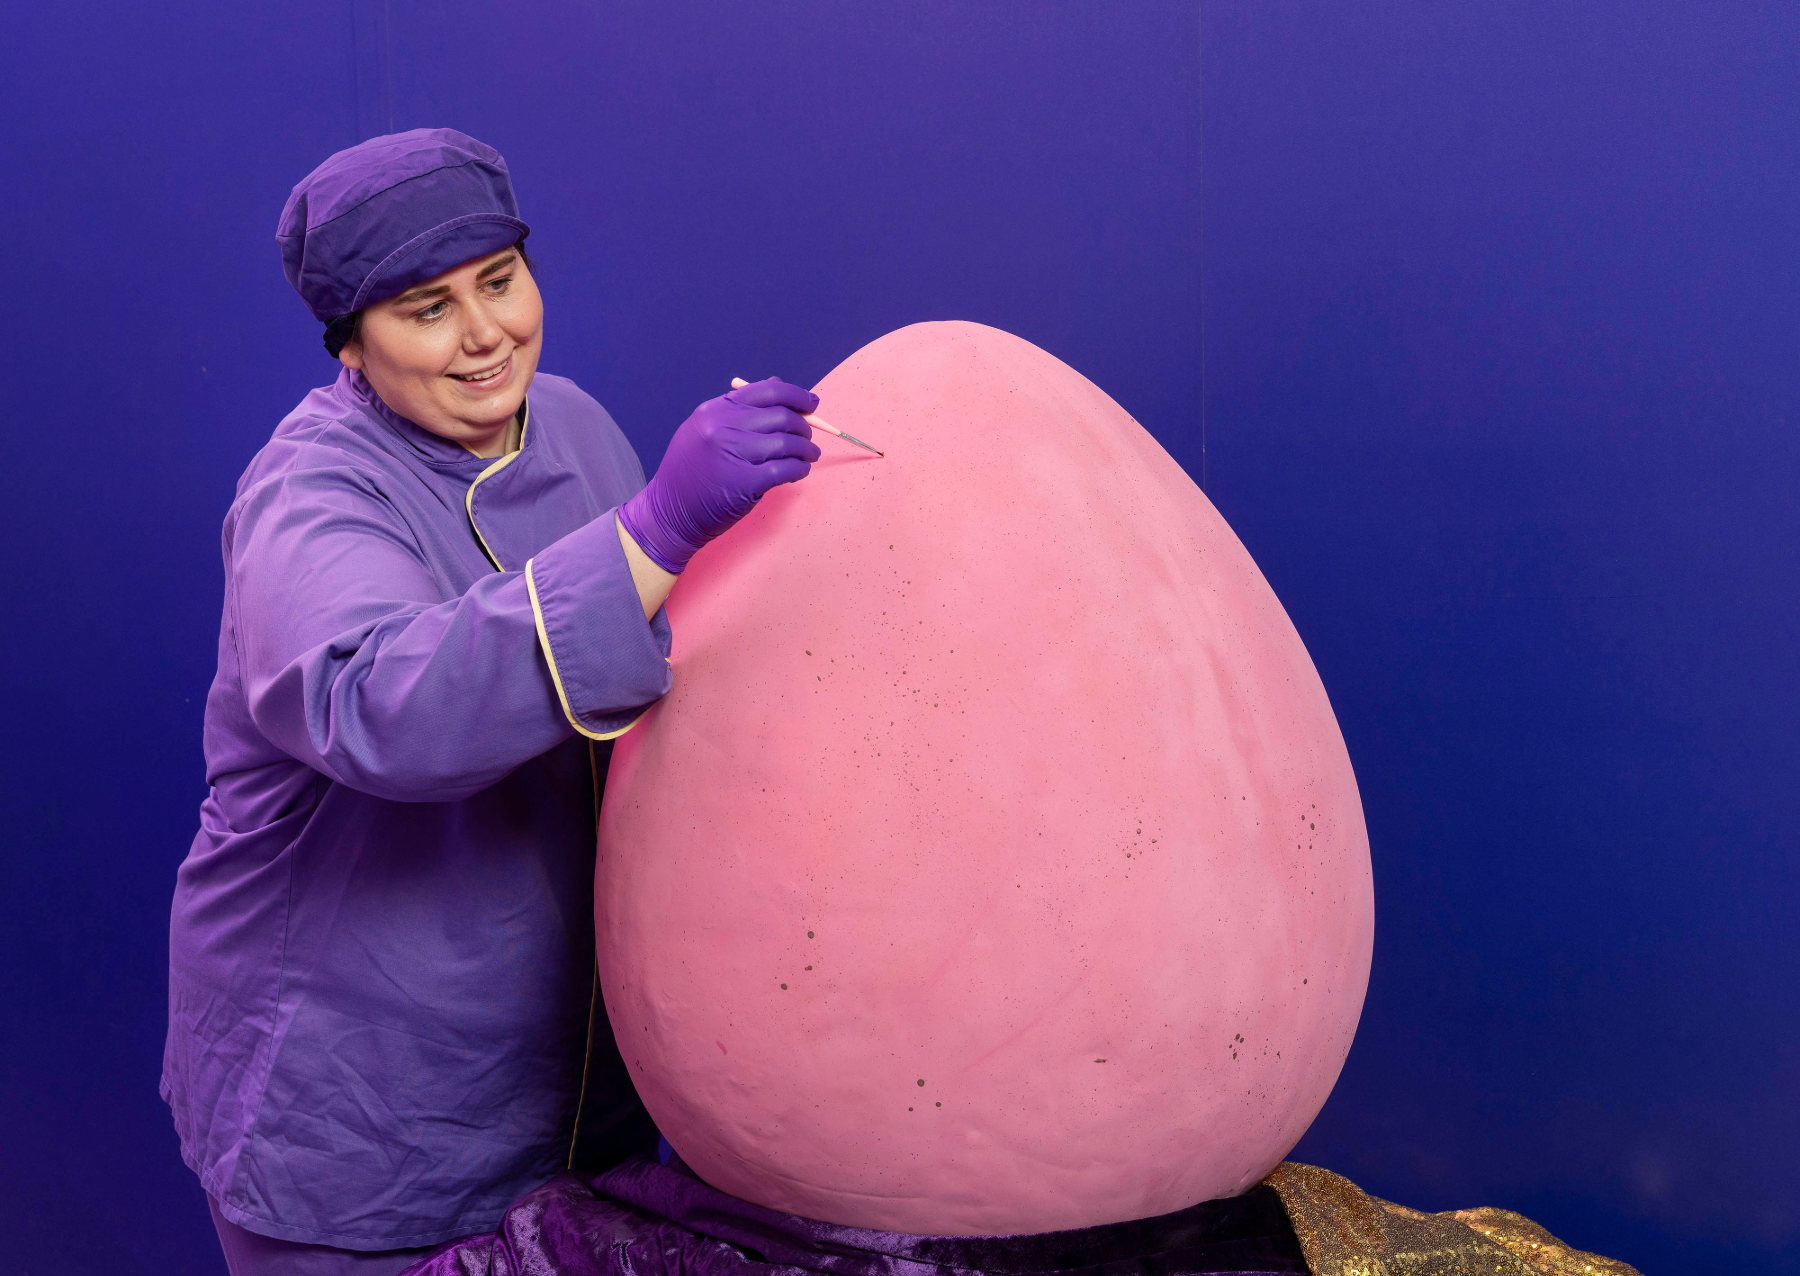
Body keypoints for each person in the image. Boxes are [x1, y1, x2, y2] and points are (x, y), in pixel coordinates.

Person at [162, 128, 822, 1275]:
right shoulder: (306, 495)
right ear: (352, 347)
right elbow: (386, 704)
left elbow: (660, 686)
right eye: (427, 308)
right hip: (361, 1120)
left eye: (501, 282)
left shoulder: (571, 425)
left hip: (573, 1088)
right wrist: (656, 531)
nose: (485, 336)